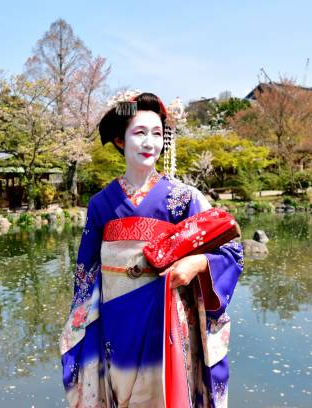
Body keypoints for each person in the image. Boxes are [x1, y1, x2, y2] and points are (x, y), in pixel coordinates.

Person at [60, 92, 243, 407]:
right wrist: (81, 325)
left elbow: (231, 249)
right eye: (140, 132)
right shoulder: (101, 203)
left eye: (157, 134)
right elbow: (85, 272)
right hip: (116, 318)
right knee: (119, 390)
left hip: (168, 316)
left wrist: (198, 263)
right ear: (120, 140)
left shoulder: (183, 197)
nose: (149, 142)